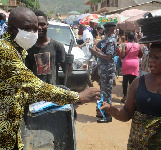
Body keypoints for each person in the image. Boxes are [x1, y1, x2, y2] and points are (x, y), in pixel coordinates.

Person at [0, 7, 101, 150]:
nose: (33, 33)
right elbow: (32, 85)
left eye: (35, 29)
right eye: (27, 29)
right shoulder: (5, 51)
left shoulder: (19, 49)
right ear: (11, 30)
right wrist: (76, 96)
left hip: (13, 126)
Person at [100, 40, 161, 149]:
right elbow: (127, 113)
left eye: (157, 57)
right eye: (150, 56)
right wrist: (110, 109)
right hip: (139, 145)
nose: (151, 61)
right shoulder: (138, 82)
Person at [25, 10, 69, 85]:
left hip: (53, 92)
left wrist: (69, 62)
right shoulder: (27, 47)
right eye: (36, 25)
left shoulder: (57, 46)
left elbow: (67, 72)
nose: (39, 27)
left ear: (47, 25)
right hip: (34, 92)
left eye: (42, 24)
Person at [89, 22, 117, 123]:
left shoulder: (111, 41)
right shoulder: (108, 40)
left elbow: (108, 57)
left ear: (109, 29)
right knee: (104, 92)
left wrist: (95, 52)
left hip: (107, 70)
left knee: (107, 94)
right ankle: (104, 114)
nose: (103, 30)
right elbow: (105, 53)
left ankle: (107, 116)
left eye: (105, 29)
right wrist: (97, 50)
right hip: (104, 70)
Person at [120, 32, 142, 103]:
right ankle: (133, 97)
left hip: (126, 64)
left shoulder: (124, 45)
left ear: (127, 38)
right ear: (134, 38)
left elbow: (122, 55)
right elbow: (141, 55)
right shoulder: (138, 45)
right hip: (135, 64)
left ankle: (125, 96)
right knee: (133, 81)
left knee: (125, 81)